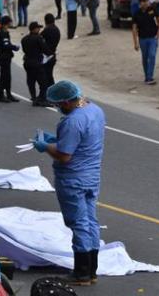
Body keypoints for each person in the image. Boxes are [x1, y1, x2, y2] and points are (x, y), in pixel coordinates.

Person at [33, 80, 106, 286]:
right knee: (91, 220)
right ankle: (91, 270)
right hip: (92, 176)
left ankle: (81, 272)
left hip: (73, 178)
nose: (59, 109)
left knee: (78, 223)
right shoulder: (95, 110)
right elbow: (81, 140)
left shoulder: (72, 121)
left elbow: (64, 155)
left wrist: (45, 146)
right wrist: (56, 139)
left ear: (65, 102)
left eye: (58, 105)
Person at [132, 0, 159, 85]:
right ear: (140, 3)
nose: (145, 3)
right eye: (143, 2)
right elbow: (134, 28)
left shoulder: (153, 10)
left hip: (153, 37)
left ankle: (150, 77)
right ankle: (147, 76)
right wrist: (135, 43)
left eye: (146, 1)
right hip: (142, 39)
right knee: (145, 58)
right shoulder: (137, 13)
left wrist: (158, 33)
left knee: (152, 55)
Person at [21, 22, 48, 105]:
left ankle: (33, 97)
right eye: (38, 28)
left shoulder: (24, 39)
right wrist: (52, 54)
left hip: (27, 62)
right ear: (34, 29)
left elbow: (24, 50)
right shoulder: (38, 38)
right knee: (43, 82)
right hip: (37, 63)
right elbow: (45, 49)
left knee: (31, 81)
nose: (39, 29)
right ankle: (42, 99)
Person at [0, 16, 21, 102]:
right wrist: (15, 47)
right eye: (9, 23)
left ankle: (8, 94)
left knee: (7, 77)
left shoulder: (4, 31)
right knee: (4, 76)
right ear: (6, 24)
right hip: (4, 57)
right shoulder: (2, 33)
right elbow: (5, 45)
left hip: (6, 56)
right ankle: (1, 95)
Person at [40, 13, 61, 104]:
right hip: (53, 54)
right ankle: (52, 95)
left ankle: (50, 96)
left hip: (46, 56)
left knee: (46, 77)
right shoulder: (57, 30)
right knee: (49, 75)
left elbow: (40, 39)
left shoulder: (47, 30)